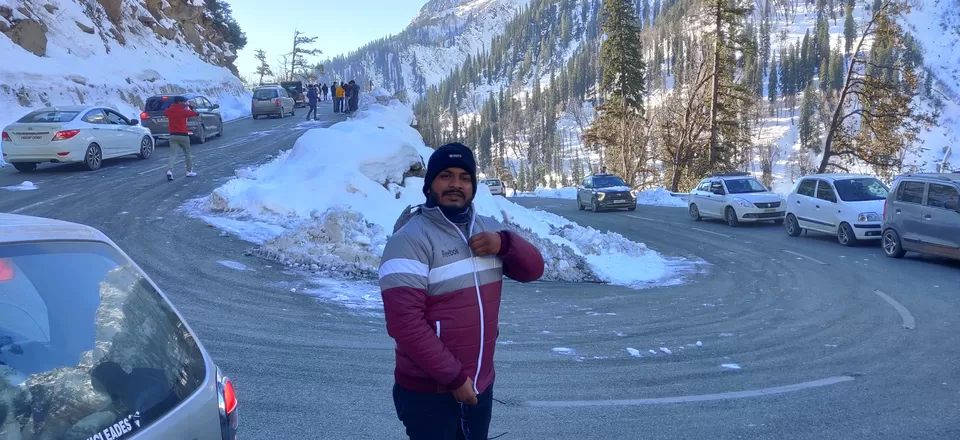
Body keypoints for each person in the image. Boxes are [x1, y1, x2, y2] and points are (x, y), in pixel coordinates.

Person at [378, 143, 545, 440]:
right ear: (429, 185)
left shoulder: (487, 230)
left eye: (464, 177)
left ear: (473, 187)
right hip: (429, 391)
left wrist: (505, 244)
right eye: (445, 176)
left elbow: (533, 270)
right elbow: (405, 324)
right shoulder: (409, 241)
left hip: (480, 382)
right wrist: (454, 378)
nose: (456, 184)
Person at [164, 96, 198, 181]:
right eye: (183, 102)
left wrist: (171, 106)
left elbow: (166, 112)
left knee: (173, 154)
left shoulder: (169, 111)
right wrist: (191, 107)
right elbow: (196, 114)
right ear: (179, 102)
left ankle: (169, 170)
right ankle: (189, 171)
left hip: (173, 135)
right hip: (183, 135)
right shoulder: (184, 112)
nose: (185, 103)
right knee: (187, 153)